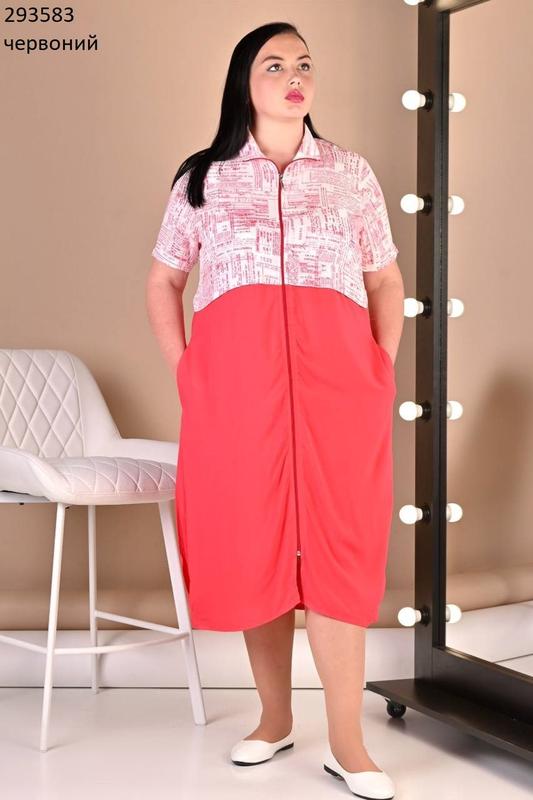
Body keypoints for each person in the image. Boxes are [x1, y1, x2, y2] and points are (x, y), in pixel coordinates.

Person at [146, 20, 403, 799]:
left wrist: (379, 365)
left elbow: (384, 278)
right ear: (243, 83)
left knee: (337, 552)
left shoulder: (349, 173)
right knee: (254, 543)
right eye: (274, 65)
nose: (294, 77)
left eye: (303, 65)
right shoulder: (203, 178)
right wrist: (188, 370)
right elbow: (164, 281)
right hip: (235, 391)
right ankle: (273, 718)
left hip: (338, 388)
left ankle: (347, 743)